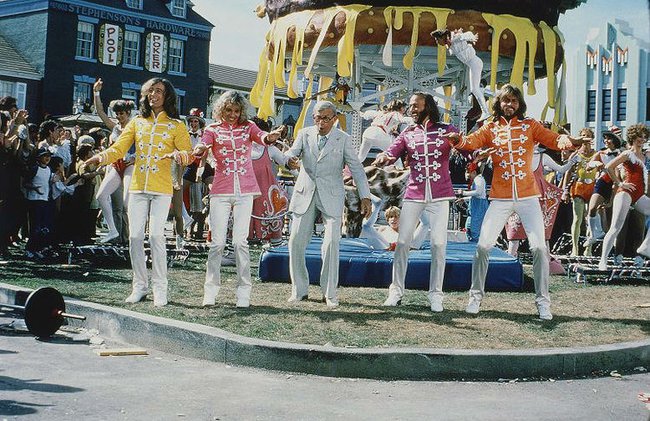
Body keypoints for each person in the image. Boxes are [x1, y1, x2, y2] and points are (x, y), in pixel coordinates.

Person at [445, 84, 586, 320]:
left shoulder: (530, 125)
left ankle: (543, 302)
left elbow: (553, 139)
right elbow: (471, 142)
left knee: (539, 248)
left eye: (513, 101)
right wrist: (458, 140)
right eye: (505, 100)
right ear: (499, 103)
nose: (509, 105)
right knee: (483, 246)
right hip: (500, 197)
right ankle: (475, 298)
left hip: (528, 196)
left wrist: (570, 141)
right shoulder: (490, 128)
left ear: (519, 104)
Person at [85, 78, 192, 307]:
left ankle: (160, 288)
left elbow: (189, 154)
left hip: (162, 188)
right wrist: (99, 157)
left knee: (156, 236)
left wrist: (178, 156)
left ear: (167, 95)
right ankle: (140, 286)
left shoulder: (177, 125)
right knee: (134, 237)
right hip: (137, 186)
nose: (154, 94)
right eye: (150, 91)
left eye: (159, 91)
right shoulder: (137, 122)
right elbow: (118, 148)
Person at [194, 91, 284, 308]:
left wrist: (270, 137)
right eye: (229, 110)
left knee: (240, 243)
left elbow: (262, 137)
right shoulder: (212, 130)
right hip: (221, 190)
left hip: (245, 191)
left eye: (236, 110)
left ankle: (244, 294)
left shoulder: (249, 127)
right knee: (217, 243)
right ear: (221, 110)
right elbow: (203, 143)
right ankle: (210, 292)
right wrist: (200, 148)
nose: (233, 114)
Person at [373, 92, 459, 311]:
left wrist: (474, 153)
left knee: (438, 244)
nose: (411, 109)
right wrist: (384, 157)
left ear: (427, 106)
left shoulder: (446, 130)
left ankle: (436, 295)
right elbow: (392, 151)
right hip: (414, 193)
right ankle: (396, 291)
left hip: (440, 194)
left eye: (415, 105)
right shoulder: (408, 133)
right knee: (403, 242)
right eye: (410, 106)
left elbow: (466, 147)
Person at [284, 100, 372, 308]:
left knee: (332, 243)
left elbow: (357, 168)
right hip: (305, 193)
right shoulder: (304, 134)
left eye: (325, 118)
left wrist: (365, 196)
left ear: (334, 119)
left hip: (332, 195)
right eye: (317, 118)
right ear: (313, 117)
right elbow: (291, 153)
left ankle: (330, 293)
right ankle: (299, 290)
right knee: (295, 242)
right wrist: (288, 160)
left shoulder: (343, 139)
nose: (321, 123)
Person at [598, 123, 650, 270]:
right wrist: (620, 183)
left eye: (644, 137)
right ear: (633, 137)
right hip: (625, 193)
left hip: (639, 194)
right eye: (639, 136)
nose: (642, 139)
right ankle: (603, 260)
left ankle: (646, 246)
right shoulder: (627, 154)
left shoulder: (645, 156)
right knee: (615, 227)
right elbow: (609, 167)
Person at [92, 78, 136, 243]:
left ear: (128, 113)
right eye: (117, 114)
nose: (118, 117)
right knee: (107, 200)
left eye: (121, 114)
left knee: (126, 205)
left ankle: (130, 236)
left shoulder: (135, 127)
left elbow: (145, 145)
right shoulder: (115, 127)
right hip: (115, 166)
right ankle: (114, 233)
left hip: (130, 165)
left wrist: (136, 157)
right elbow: (100, 112)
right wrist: (96, 92)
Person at [432, 29, 491, 121]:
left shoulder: (455, 38)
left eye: (437, 39)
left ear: (442, 37)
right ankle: (491, 94)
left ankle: (486, 111)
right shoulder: (450, 44)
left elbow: (467, 35)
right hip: (472, 64)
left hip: (475, 63)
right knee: (475, 89)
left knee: (475, 89)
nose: (437, 42)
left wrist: (471, 37)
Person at [583, 127, 623, 247]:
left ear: (615, 140)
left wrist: (611, 199)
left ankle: (613, 246)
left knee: (612, 218)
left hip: (616, 185)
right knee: (592, 208)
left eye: (608, 138)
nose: (606, 141)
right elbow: (588, 166)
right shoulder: (601, 153)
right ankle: (593, 235)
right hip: (603, 182)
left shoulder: (622, 154)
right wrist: (596, 163)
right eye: (605, 138)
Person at [561, 128, 598, 256]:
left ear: (592, 138)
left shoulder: (596, 154)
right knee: (577, 219)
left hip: (592, 186)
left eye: (588, 135)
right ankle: (575, 248)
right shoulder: (576, 155)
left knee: (591, 218)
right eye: (583, 135)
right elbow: (568, 173)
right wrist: (565, 191)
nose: (586, 138)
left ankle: (589, 249)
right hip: (579, 187)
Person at [357, 99, 411, 164]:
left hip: (368, 132)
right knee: (393, 153)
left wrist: (360, 113)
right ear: (401, 108)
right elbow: (403, 119)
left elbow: (367, 115)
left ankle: (348, 168)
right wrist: (413, 121)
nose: (404, 110)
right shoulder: (396, 113)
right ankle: (399, 168)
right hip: (378, 133)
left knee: (360, 157)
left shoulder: (382, 113)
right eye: (404, 108)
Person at [458, 160, 489, 242]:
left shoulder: (478, 179)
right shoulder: (477, 179)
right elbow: (476, 196)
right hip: (475, 208)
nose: (467, 175)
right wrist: (464, 199)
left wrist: (463, 193)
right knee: (469, 228)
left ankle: (475, 245)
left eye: (468, 172)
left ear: (474, 172)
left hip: (479, 209)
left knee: (475, 231)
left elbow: (478, 192)